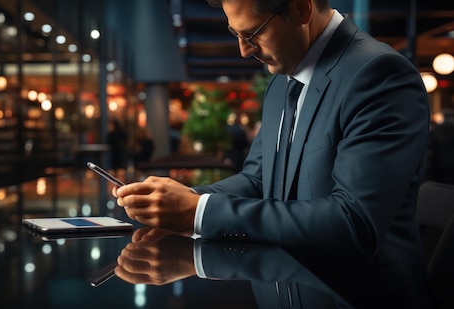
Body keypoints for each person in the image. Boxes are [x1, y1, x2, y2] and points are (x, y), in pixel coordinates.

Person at [114, 0, 432, 304]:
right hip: (287, 283)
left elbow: (353, 224)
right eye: (236, 35)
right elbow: (257, 180)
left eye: (252, 33)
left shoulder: (379, 74)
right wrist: (180, 200)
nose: (244, 50)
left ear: (300, 7)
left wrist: (198, 211)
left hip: (359, 295)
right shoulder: (281, 83)